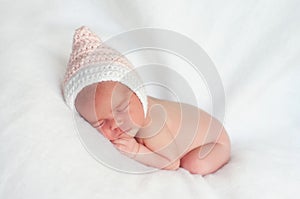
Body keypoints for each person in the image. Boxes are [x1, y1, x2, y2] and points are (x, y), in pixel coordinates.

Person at [62, 26, 231, 175]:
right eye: (101, 123)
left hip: (213, 142)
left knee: (194, 165)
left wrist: (136, 151)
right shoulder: (134, 116)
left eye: (122, 109)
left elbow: (172, 163)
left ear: (139, 93)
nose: (116, 123)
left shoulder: (152, 122)